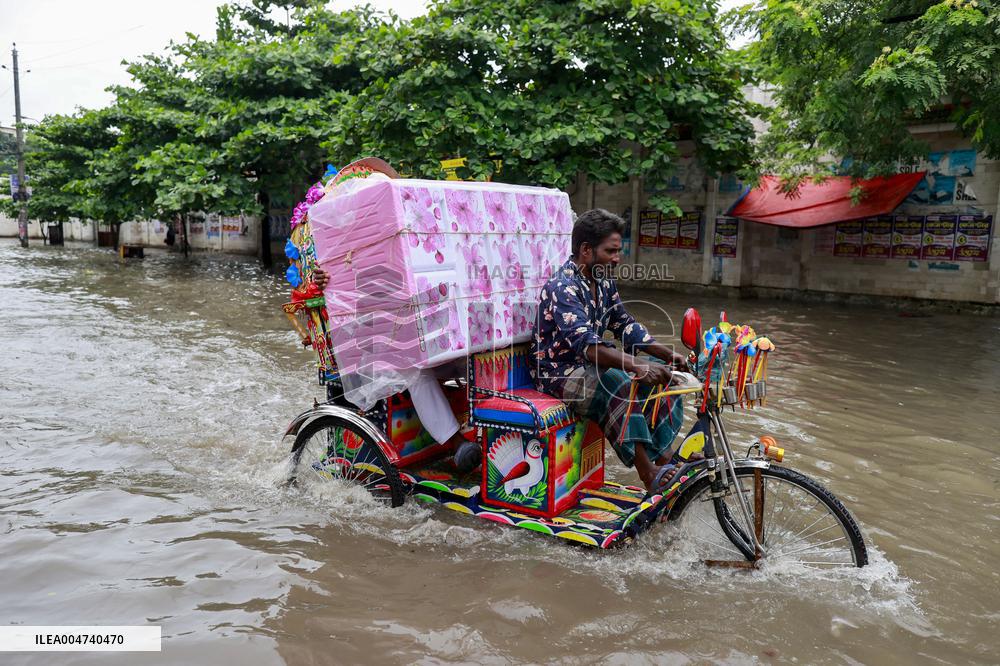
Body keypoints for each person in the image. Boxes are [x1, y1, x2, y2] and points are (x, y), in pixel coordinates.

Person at [531, 208, 699, 492]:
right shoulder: (563, 287)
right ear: (586, 250)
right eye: (611, 251)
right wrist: (636, 366)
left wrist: (666, 356)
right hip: (556, 375)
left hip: (588, 368)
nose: (617, 259)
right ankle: (648, 472)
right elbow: (589, 347)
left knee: (662, 377)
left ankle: (665, 456)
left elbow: (624, 325)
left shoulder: (604, 283)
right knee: (618, 380)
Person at [312, 267, 481, 472]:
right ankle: (456, 442)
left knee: (473, 358)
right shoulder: (346, 253)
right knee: (417, 373)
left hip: (424, 333)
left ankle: (487, 429)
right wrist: (325, 282)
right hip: (377, 347)